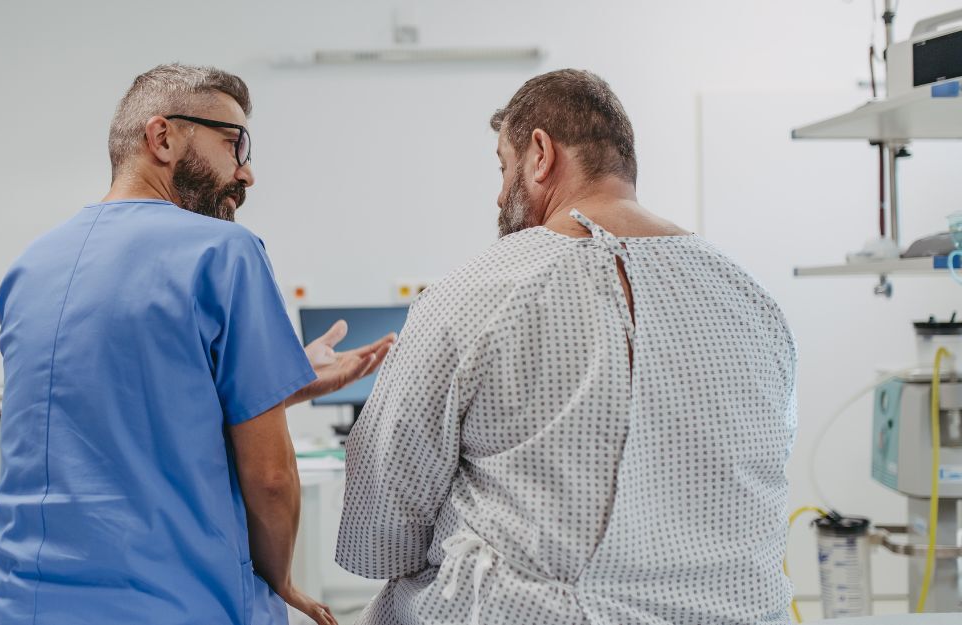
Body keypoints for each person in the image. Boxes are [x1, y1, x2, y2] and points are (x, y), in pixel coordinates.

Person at [336, 69, 797, 624]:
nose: (500, 193)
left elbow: (381, 530)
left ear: (540, 154)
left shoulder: (478, 291)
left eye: (503, 168)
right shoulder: (751, 298)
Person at [0, 63, 392, 625]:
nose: (246, 173)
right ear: (162, 136)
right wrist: (281, 578)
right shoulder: (224, 252)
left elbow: (123, 418)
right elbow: (269, 476)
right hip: (169, 601)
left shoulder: (30, 264)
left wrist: (283, 386)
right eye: (232, 143)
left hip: (12, 601)